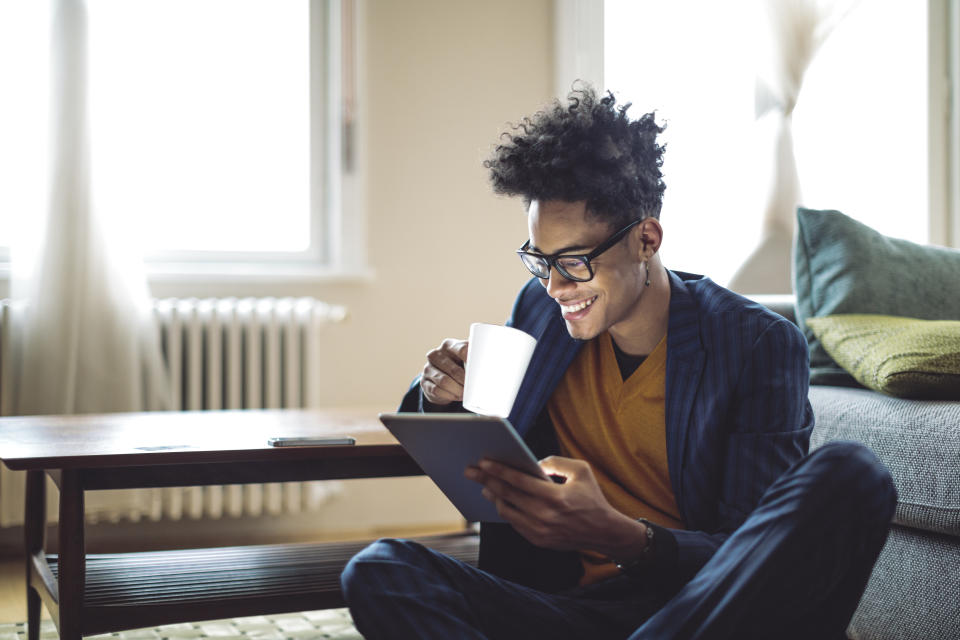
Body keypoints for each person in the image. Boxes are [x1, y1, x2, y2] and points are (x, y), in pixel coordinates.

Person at [341, 86, 896, 639]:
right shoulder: (538, 309)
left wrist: (619, 534)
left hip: (692, 609)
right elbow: (485, 442)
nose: (557, 286)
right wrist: (436, 393)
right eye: (541, 260)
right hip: (564, 608)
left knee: (853, 474)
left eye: (576, 262)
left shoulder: (755, 344)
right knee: (382, 569)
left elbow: (750, 553)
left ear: (646, 240)